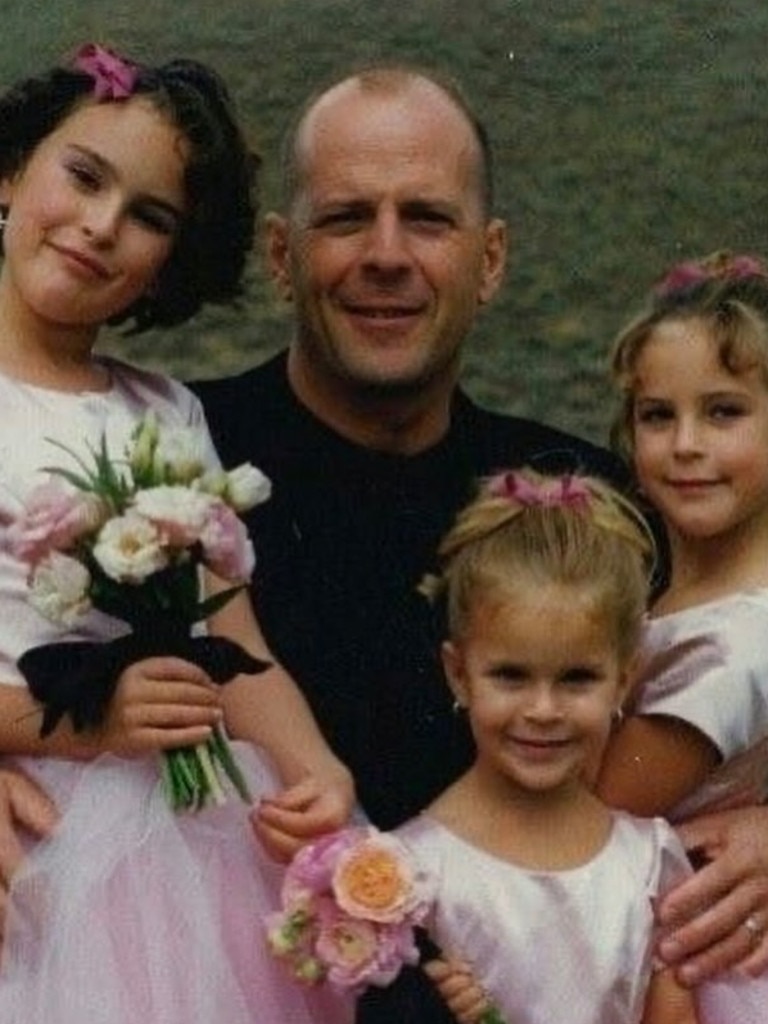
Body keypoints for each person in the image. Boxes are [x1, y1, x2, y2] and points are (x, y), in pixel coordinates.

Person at [190, 67, 768, 1022]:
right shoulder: (184, 462)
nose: (386, 254)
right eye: (345, 219)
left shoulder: (590, 504)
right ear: (282, 256)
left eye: (427, 217)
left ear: (490, 259)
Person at [0, 45, 354, 1024]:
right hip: (41, 829)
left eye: (150, 217)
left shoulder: (162, 413)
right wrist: (84, 723)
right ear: (10, 171)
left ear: (172, 262)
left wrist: (316, 767)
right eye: (82, 176)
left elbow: (229, 637)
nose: (100, 226)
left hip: (177, 834)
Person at [395, 467, 697, 1024]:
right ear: (459, 674)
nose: (542, 710)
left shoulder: (650, 862)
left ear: (624, 680)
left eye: (577, 678)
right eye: (510, 676)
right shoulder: (412, 875)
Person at [593, 251, 768, 1022]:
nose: (685, 443)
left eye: (724, 412)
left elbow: (601, 802)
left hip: (705, 974)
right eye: (657, 415)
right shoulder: (670, 598)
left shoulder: (737, 644)